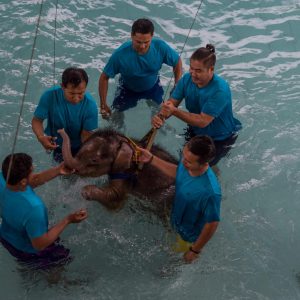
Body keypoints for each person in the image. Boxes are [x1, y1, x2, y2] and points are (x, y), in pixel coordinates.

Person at [152, 44, 242, 166]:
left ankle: (213, 177)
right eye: (191, 68)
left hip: (220, 138)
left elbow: (203, 121)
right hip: (196, 131)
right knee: (184, 163)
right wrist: (161, 116)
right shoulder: (186, 79)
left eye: (198, 70)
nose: (193, 74)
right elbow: (171, 104)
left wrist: (174, 111)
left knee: (199, 169)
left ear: (211, 69)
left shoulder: (220, 90)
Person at [138, 135, 221, 263]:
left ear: (203, 163)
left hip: (188, 236)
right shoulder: (187, 164)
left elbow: (212, 223)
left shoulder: (210, 192)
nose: (183, 161)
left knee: (174, 261)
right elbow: (179, 172)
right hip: (176, 220)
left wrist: (194, 250)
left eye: (188, 161)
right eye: (184, 155)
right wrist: (151, 159)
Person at [0, 153, 87, 268]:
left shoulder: (3, 178)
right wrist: (68, 219)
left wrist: (58, 170)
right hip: (28, 251)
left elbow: (32, 181)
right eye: (31, 171)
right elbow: (40, 245)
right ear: (22, 182)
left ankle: (28, 269)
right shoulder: (34, 208)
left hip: (6, 237)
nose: (34, 172)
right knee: (59, 262)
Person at [99, 18, 182, 118]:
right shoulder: (120, 55)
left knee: (161, 114)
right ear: (131, 36)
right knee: (115, 117)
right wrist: (103, 104)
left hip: (153, 87)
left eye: (146, 42)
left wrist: (177, 84)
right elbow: (104, 77)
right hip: (127, 89)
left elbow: (177, 61)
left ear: (152, 36)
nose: (142, 46)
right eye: (138, 42)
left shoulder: (160, 47)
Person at [32, 67, 98, 162]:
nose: (76, 98)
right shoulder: (49, 96)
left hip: (79, 145)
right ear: (62, 86)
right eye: (71, 93)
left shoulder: (90, 105)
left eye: (80, 93)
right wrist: (41, 137)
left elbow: (86, 135)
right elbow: (37, 120)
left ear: (86, 88)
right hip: (57, 144)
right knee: (64, 173)